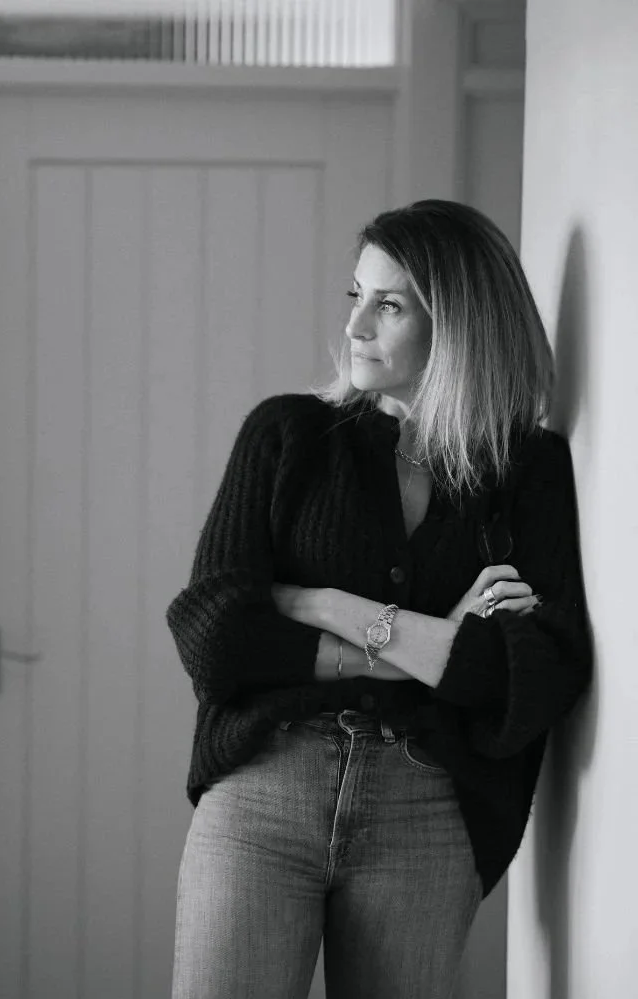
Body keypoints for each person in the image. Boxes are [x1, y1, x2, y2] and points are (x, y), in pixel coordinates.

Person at [166, 199, 591, 999]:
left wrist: (314, 602)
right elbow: (214, 635)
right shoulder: (288, 434)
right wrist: (431, 642)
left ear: (458, 324)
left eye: (387, 304)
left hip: (425, 810)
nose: (355, 325)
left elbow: (533, 677)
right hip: (264, 787)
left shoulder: (523, 470)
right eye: (354, 296)